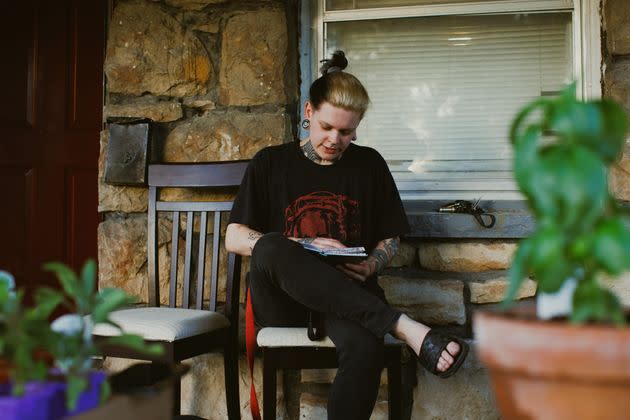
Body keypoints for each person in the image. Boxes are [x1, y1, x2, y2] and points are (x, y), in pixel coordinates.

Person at [225, 50, 469, 420]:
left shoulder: (370, 164)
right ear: (308, 113)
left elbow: (390, 238)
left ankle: (386, 323)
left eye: (346, 131)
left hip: (350, 298)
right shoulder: (270, 162)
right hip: (283, 301)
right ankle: (402, 325)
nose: (335, 140)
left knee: (365, 350)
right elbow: (235, 237)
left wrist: (372, 263)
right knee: (271, 245)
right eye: (326, 127)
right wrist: (306, 245)